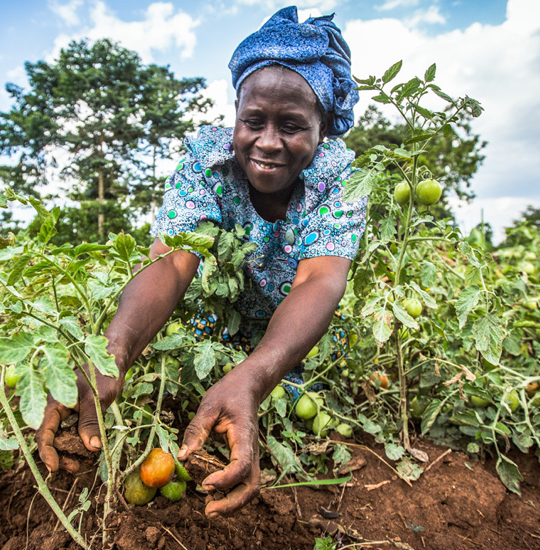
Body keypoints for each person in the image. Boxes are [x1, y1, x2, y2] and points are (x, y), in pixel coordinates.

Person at [36, 6, 366, 519]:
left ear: (323, 130)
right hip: (215, 325)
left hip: (294, 339)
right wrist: (114, 351)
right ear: (235, 113)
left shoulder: (340, 177)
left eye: (293, 126)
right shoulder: (204, 161)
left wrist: (255, 378)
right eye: (252, 121)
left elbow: (320, 281)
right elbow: (170, 262)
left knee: (292, 418)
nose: (268, 142)